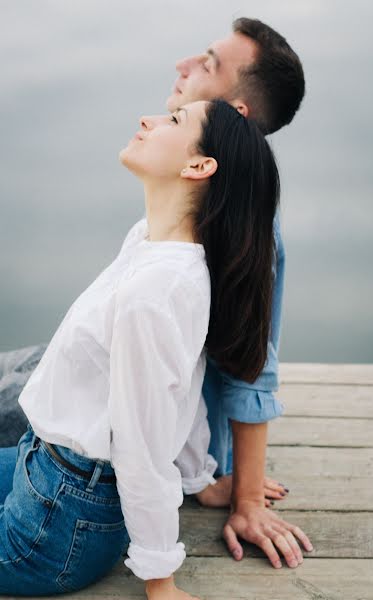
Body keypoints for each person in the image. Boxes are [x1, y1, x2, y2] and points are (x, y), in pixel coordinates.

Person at [0, 15, 312, 574]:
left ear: (208, 152)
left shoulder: (200, 260)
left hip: (79, 488)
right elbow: (183, 379)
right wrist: (200, 476)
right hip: (64, 454)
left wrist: (233, 500)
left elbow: (241, 363)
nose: (183, 66)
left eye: (208, 65)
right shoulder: (162, 236)